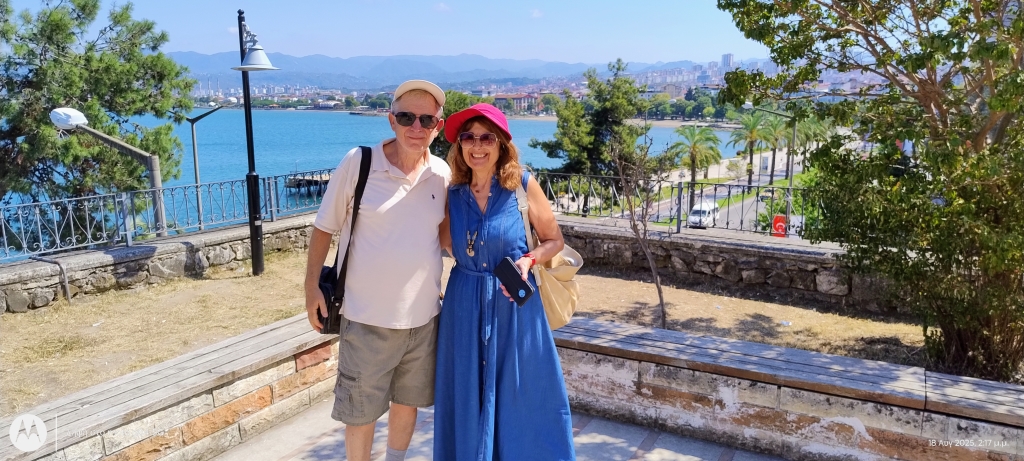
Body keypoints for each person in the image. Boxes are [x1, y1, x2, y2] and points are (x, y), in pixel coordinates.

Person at [304, 80, 451, 461]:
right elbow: (324, 227)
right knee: (361, 413)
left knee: (407, 403)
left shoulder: (442, 174)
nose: (416, 127)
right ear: (390, 120)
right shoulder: (360, 163)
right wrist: (311, 287)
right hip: (366, 319)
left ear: (438, 126)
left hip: (423, 320)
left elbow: (444, 238)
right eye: (406, 117)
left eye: (426, 120)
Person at [433, 103, 576, 460]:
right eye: (469, 137)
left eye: (487, 138)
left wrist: (528, 259)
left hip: (515, 304)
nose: (477, 145)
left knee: (524, 394)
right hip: (463, 305)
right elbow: (442, 241)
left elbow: (554, 240)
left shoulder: (523, 186)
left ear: (502, 145)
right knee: (467, 395)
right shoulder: (452, 194)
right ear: (459, 145)